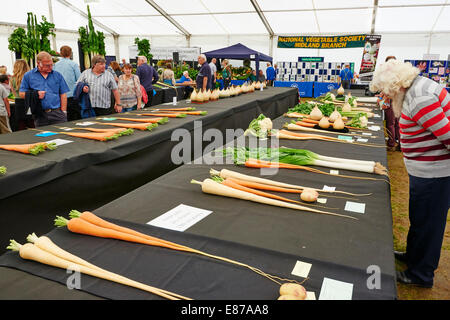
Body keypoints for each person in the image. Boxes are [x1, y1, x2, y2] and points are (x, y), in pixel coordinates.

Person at [370, 59, 450, 289]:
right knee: (420, 218)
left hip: (435, 174)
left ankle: (420, 274)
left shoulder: (419, 98)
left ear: (395, 84)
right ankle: (414, 256)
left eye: (386, 91)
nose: (385, 96)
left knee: (429, 224)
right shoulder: (415, 88)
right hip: (426, 172)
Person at [19, 51, 69, 127]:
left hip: (57, 113)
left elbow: (63, 94)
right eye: (47, 65)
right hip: (40, 114)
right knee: (43, 137)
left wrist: (64, 111)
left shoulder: (57, 75)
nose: (50, 67)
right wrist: (36, 94)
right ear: (38, 63)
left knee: (62, 136)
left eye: (52, 65)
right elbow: (21, 94)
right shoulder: (28, 76)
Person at [53, 45, 82, 121]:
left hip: (60, 96)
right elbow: (79, 79)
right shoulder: (74, 64)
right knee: (74, 118)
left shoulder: (55, 65)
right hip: (72, 96)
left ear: (60, 53)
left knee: (63, 118)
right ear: (70, 53)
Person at [379, 55, 400, 151]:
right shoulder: (399, 73)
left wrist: (384, 95)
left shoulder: (389, 74)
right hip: (398, 100)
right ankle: (398, 142)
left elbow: (389, 89)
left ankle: (391, 143)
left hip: (391, 100)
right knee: (396, 123)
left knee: (390, 123)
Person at [10, 59, 33, 130]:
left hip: (18, 102)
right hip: (29, 101)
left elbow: (13, 92)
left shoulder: (12, 79)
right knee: (32, 123)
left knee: (21, 124)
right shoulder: (30, 77)